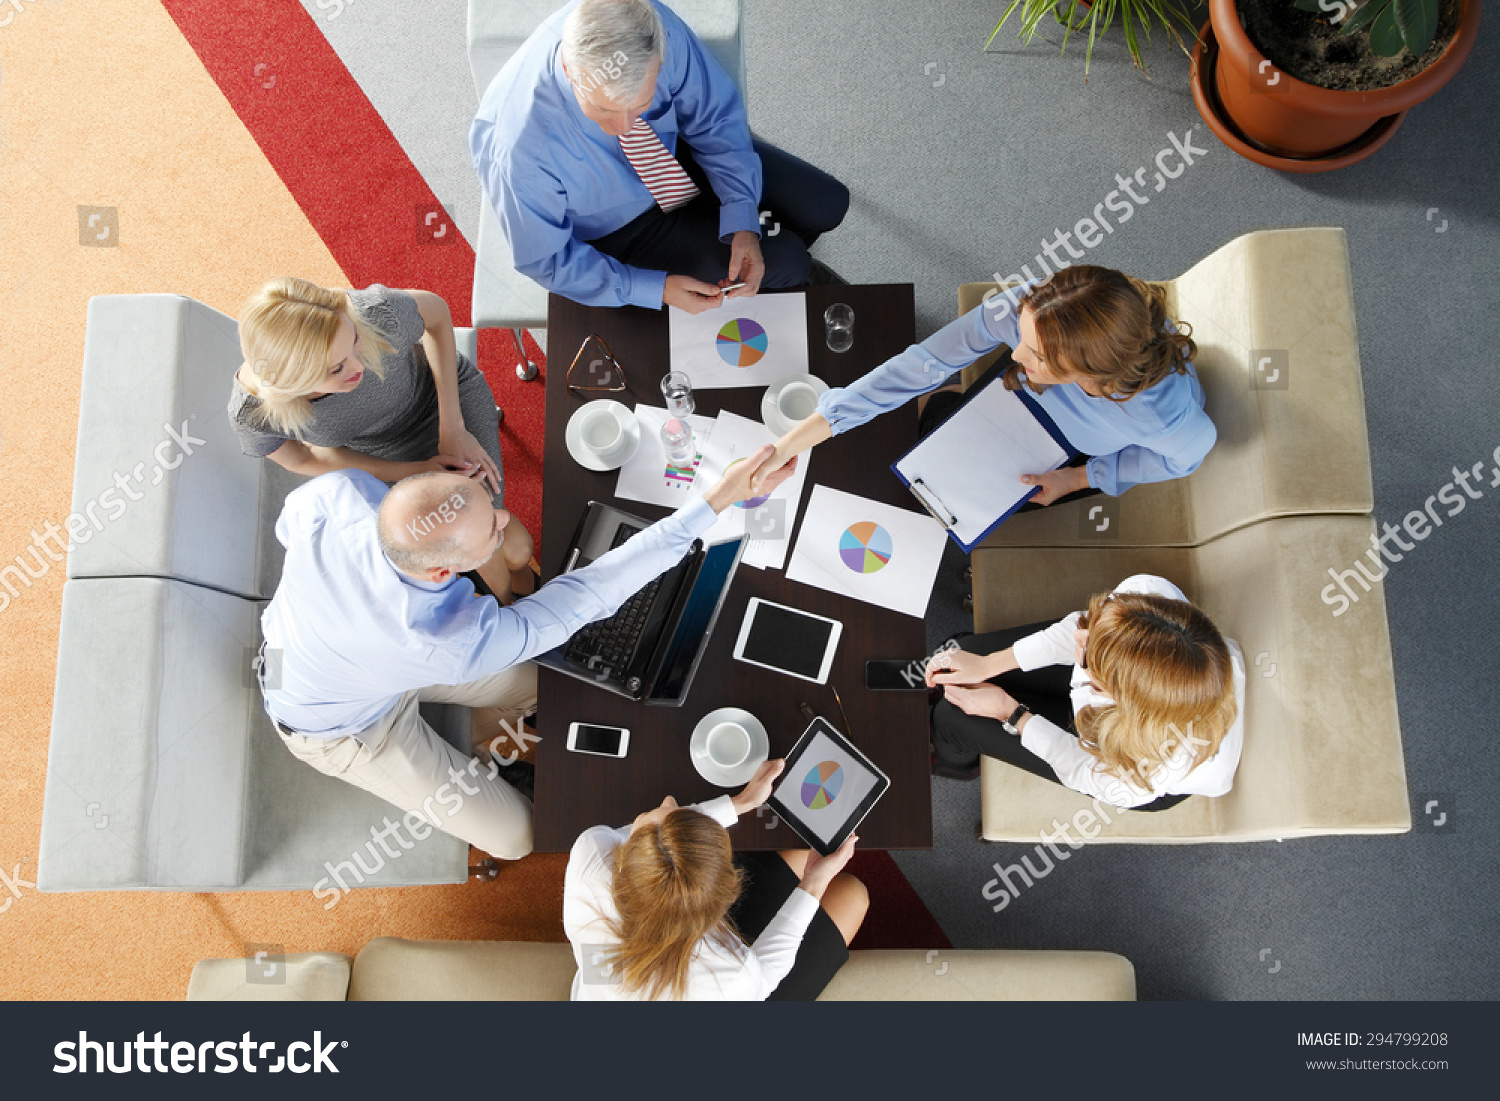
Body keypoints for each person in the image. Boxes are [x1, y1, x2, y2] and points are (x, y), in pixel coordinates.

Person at [258, 444, 796, 862]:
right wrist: (718, 500)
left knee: (555, 688)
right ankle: (476, 755)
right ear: (443, 572)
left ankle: (475, 737)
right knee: (519, 837)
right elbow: (588, 597)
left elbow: (290, 526)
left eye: (489, 509)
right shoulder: (448, 640)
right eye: (492, 531)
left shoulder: (341, 494)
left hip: (333, 657)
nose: (504, 521)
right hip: (337, 727)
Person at [470, 0, 850, 315]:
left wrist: (742, 214)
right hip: (621, 229)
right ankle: (789, 268)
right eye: (603, 111)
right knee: (791, 261)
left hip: (678, 151)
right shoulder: (517, 151)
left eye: (641, 105)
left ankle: (773, 253)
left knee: (828, 203)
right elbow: (548, 261)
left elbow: (714, 118)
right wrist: (654, 288)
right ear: (570, 70)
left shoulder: (646, 26)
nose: (622, 127)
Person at [753, 265, 1215, 508]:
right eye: (1025, 338)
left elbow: (1185, 458)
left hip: (1069, 453)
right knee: (929, 431)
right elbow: (925, 363)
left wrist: (1078, 479)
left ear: (1089, 373)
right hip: (1025, 398)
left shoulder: (1165, 416)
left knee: (951, 500)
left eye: (1038, 356)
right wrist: (789, 443)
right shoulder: (1027, 307)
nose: (1014, 355)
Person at [228, 277, 536, 602]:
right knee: (508, 549)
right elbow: (302, 458)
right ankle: (517, 604)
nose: (360, 367)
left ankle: (513, 610)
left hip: (443, 401)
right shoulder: (253, 414)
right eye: (336, 368)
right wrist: (410, 470)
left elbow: (437, 314)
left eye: (355, 340)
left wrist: (453, 427)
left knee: (494, 542)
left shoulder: (372, 311)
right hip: (384, 461)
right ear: (292, 383)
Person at [924, 574, 1245, 811]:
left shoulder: (1133, 776)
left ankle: (956, 760)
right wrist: (988, 664)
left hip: (1124, 749)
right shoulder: (1148, 596)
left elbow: (1074, 764)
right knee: (963, 651)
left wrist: (1010, 712)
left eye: (1089, 658)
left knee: (951, 718)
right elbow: (1079, 630)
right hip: (1148, 687)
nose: (1079, 637)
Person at [563, 760, 867, 1000]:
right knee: (853, 895)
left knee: (800, 858)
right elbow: (766, 976)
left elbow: (651, 838)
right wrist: (814, 882)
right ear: (725, 903)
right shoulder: (732, 978)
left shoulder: (590, 861)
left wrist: (739, 803)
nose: (668, 799)